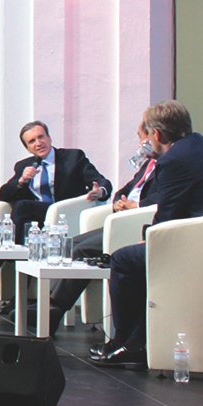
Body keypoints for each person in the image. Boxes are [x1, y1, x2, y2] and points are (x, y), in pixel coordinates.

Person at [89, 101, 203, 369]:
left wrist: (150, 239)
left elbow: (169, 215)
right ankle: (137, 339)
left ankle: (128, 343)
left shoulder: (174, 160)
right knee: (140, 255)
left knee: (123, 259)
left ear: (157, 134)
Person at [46, 126, 161, 331]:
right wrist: (118, 202)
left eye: (144, 139)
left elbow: (162, 198)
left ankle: (53, 309)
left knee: (80, 250)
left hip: (135, 224)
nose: (141, 144)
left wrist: (135, 206)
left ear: (155, 137)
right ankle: (48, 302)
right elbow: (124, 190)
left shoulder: (167, 165)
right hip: (120, 218)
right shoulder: (147, 164)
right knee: (72, 243)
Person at [0, 120, 110, 243]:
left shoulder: (73, 157)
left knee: (22, 206)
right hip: (38, 218)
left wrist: (101, 191)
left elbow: (101, 181)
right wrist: (21, 180)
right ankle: (18, 250)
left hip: (65, 213)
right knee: (23, 213)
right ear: (27, 148)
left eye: (41, 137)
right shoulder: (23, 165)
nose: (38, 143)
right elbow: (3, 195)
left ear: (49, 138)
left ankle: (11, 250)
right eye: (32, 141)